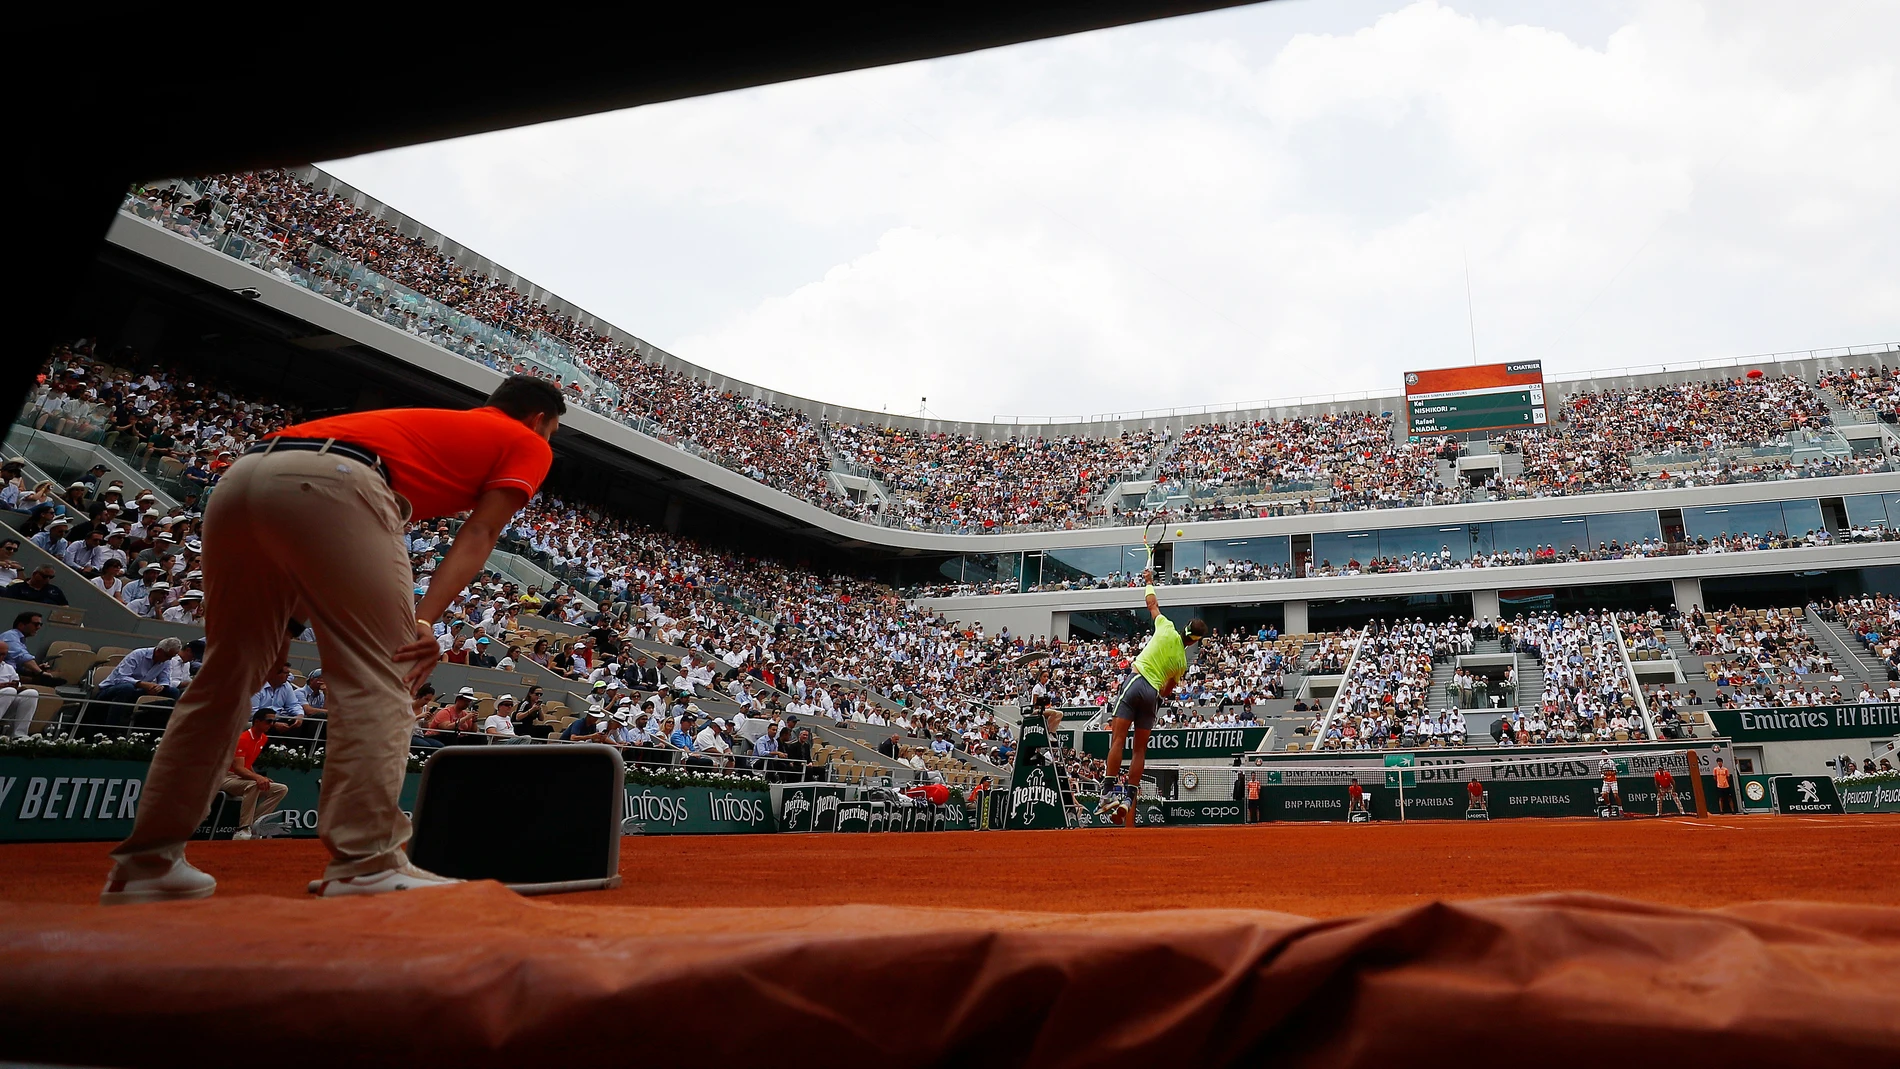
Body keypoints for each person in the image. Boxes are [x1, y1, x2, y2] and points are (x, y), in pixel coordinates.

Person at [103, 375, 561, 904]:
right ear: (539, 421)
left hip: (246, 475)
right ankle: (367, 861)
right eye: (550, 431)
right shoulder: (527, 441)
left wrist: (288, 630)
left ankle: (148, 862)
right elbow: (480, 533)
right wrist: (425, 620)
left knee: (225, 679)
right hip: (342, 481)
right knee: (384, 675)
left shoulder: (432, 427)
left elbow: (306, 531)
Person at [1097, 568, 1208, 827]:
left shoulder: (1166, 626)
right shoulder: (1182, 661)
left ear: (1184, 629)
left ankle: (1107, 793)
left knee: (1118, 739)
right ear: (1194, 641)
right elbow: (1168, 691)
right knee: (1139, 749)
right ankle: (1128, 798)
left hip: (1136, 681)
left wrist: (1148, 581)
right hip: (1152, 696)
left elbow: (1152, 603)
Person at [224, 708, 291, 839]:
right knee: (255, 784)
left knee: (281, 789)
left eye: (273, 721)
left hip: (240, 778)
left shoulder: (263, 739)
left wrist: (259, 777)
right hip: (225, 778)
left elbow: (247, 765)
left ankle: (254, 824)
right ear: (257, 721)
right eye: (268, 721)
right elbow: (238, 768)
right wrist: (258, 778)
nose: (271, 724)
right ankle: (242, 829)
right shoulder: (242, 738)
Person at [94, 638, 187, 730]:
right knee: (126, 688)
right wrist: (142, 684)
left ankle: (160, 731)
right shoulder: (137, 654)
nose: (169, 659)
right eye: (167, 656)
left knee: (173, 692)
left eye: (171, 657)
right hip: (112, 689)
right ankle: (110, 730)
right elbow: (121, 678)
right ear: (159, 651)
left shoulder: (166, 660)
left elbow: (165, 680)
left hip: (138, 690)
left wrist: (160, 687)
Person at [4, 564, 69, 606]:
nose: (47, 579)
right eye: (44, 576)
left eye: (51, 577)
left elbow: (65, 606)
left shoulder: (55, 590)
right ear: (35, 574)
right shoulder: (17, 588)